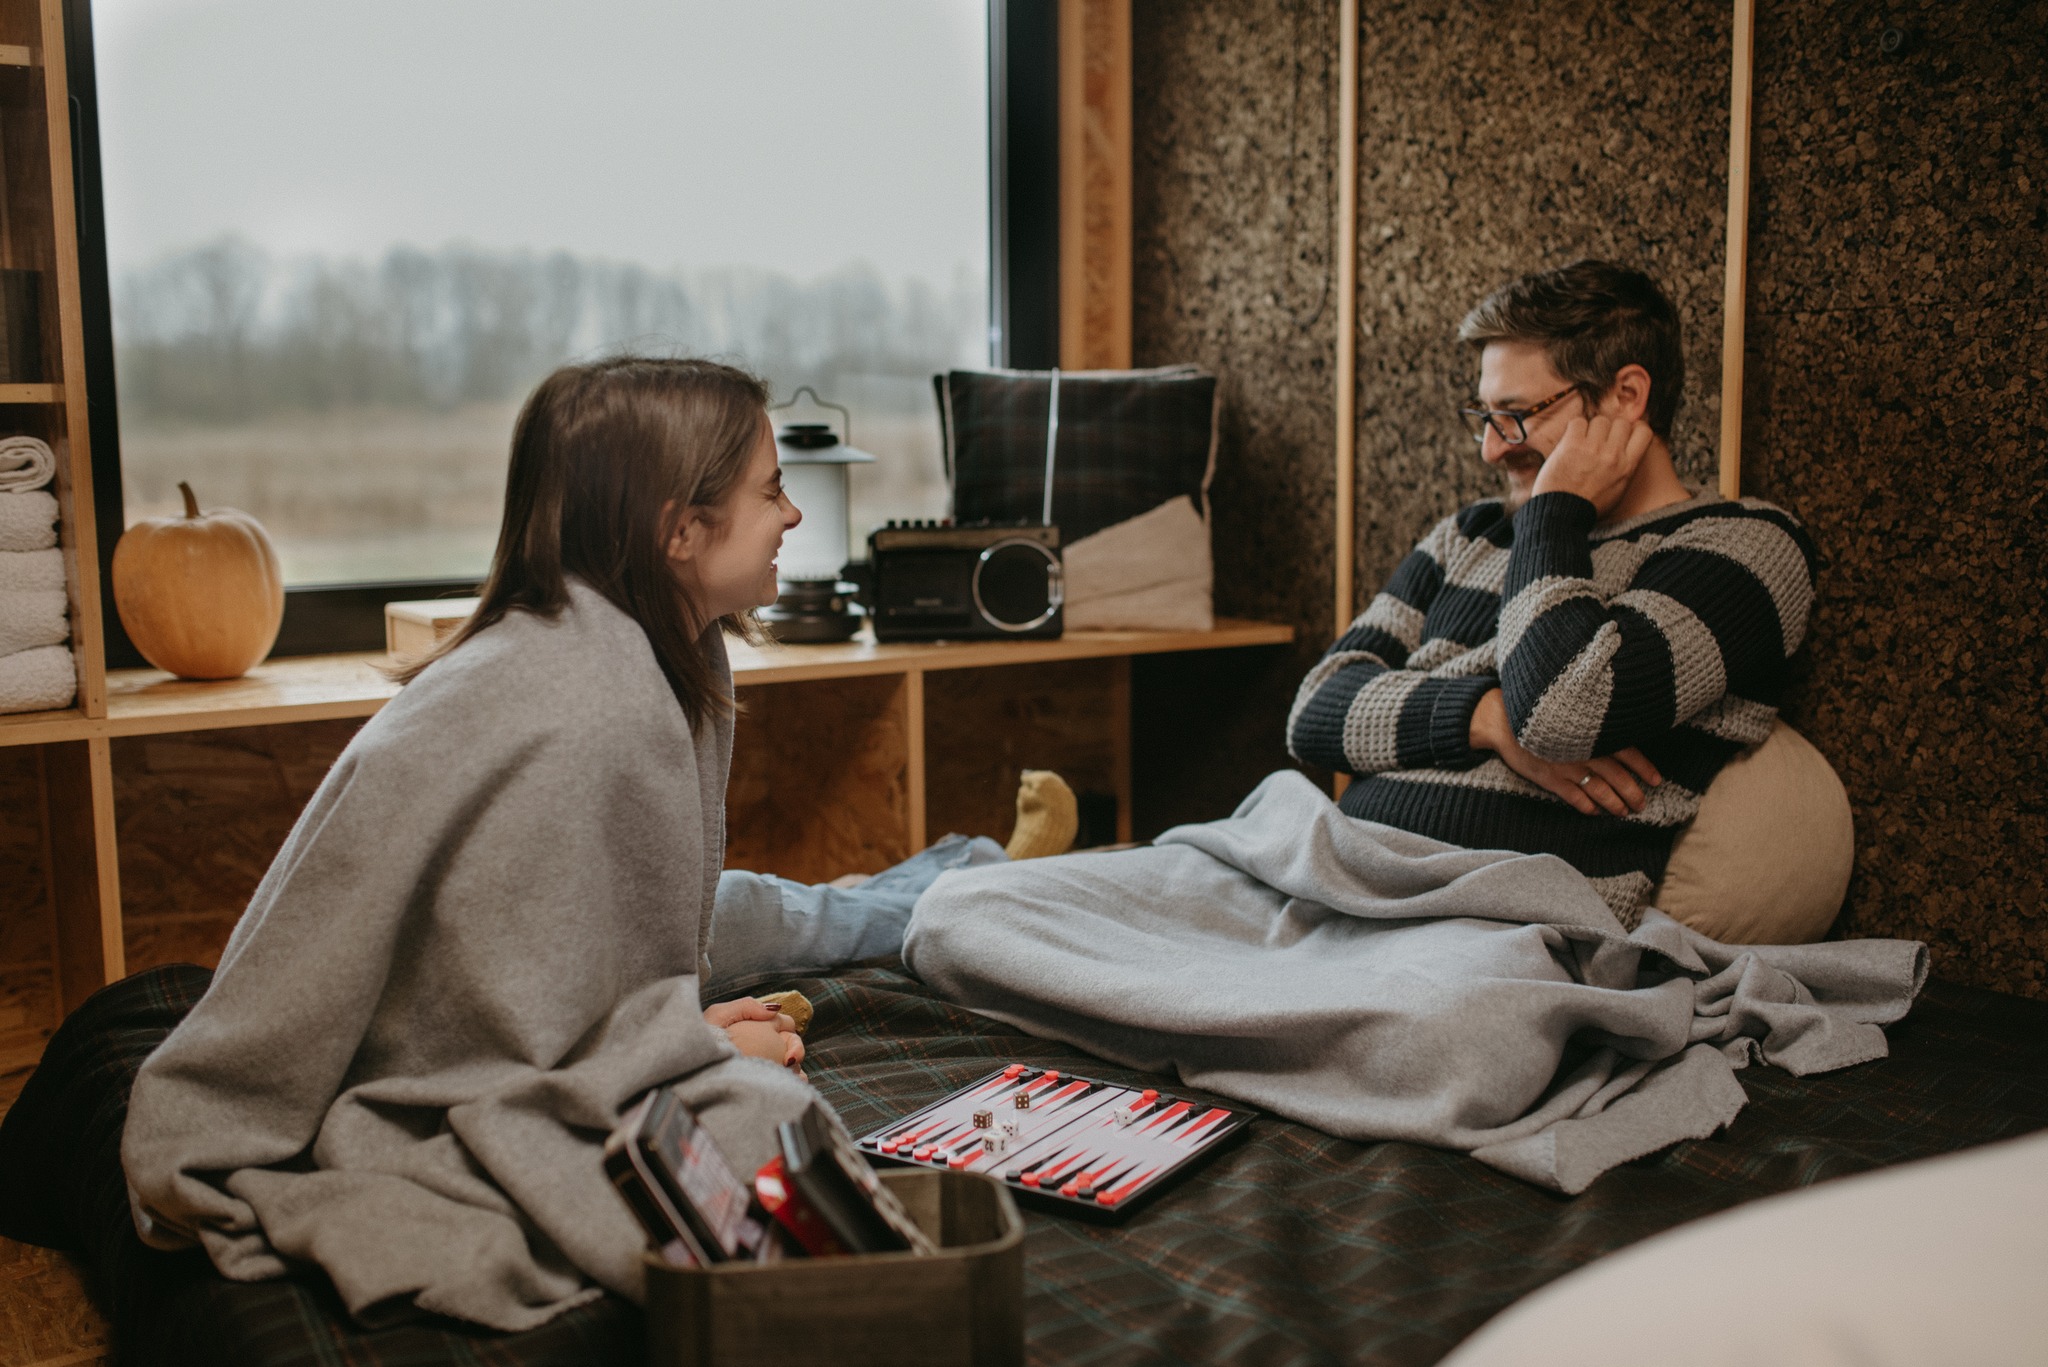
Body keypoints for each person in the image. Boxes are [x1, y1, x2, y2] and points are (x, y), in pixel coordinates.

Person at [112, 357, 996, 1335]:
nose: (791, 516)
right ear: (678, 530)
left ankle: (954, 880)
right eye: (771, 489)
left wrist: (673, 1022)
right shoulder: (590, 703)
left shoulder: (621, 649)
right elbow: (503, 1034)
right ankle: (957, 884)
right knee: (764, 1124)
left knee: (771, 987)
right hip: (432, 1071)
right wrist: (688, 1045)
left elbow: (557, 947)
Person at [1287, 259, 1818, 921]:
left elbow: (1564, 710)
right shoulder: (1469, 535)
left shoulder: (1746, 547)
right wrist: (1485, 718)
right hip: (1331, 873)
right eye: (1483, 417)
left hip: (1502, 923)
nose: (1488, 449)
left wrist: (1555, 512)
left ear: (1627, 397)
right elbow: (1316, 708)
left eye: (1515, 415)